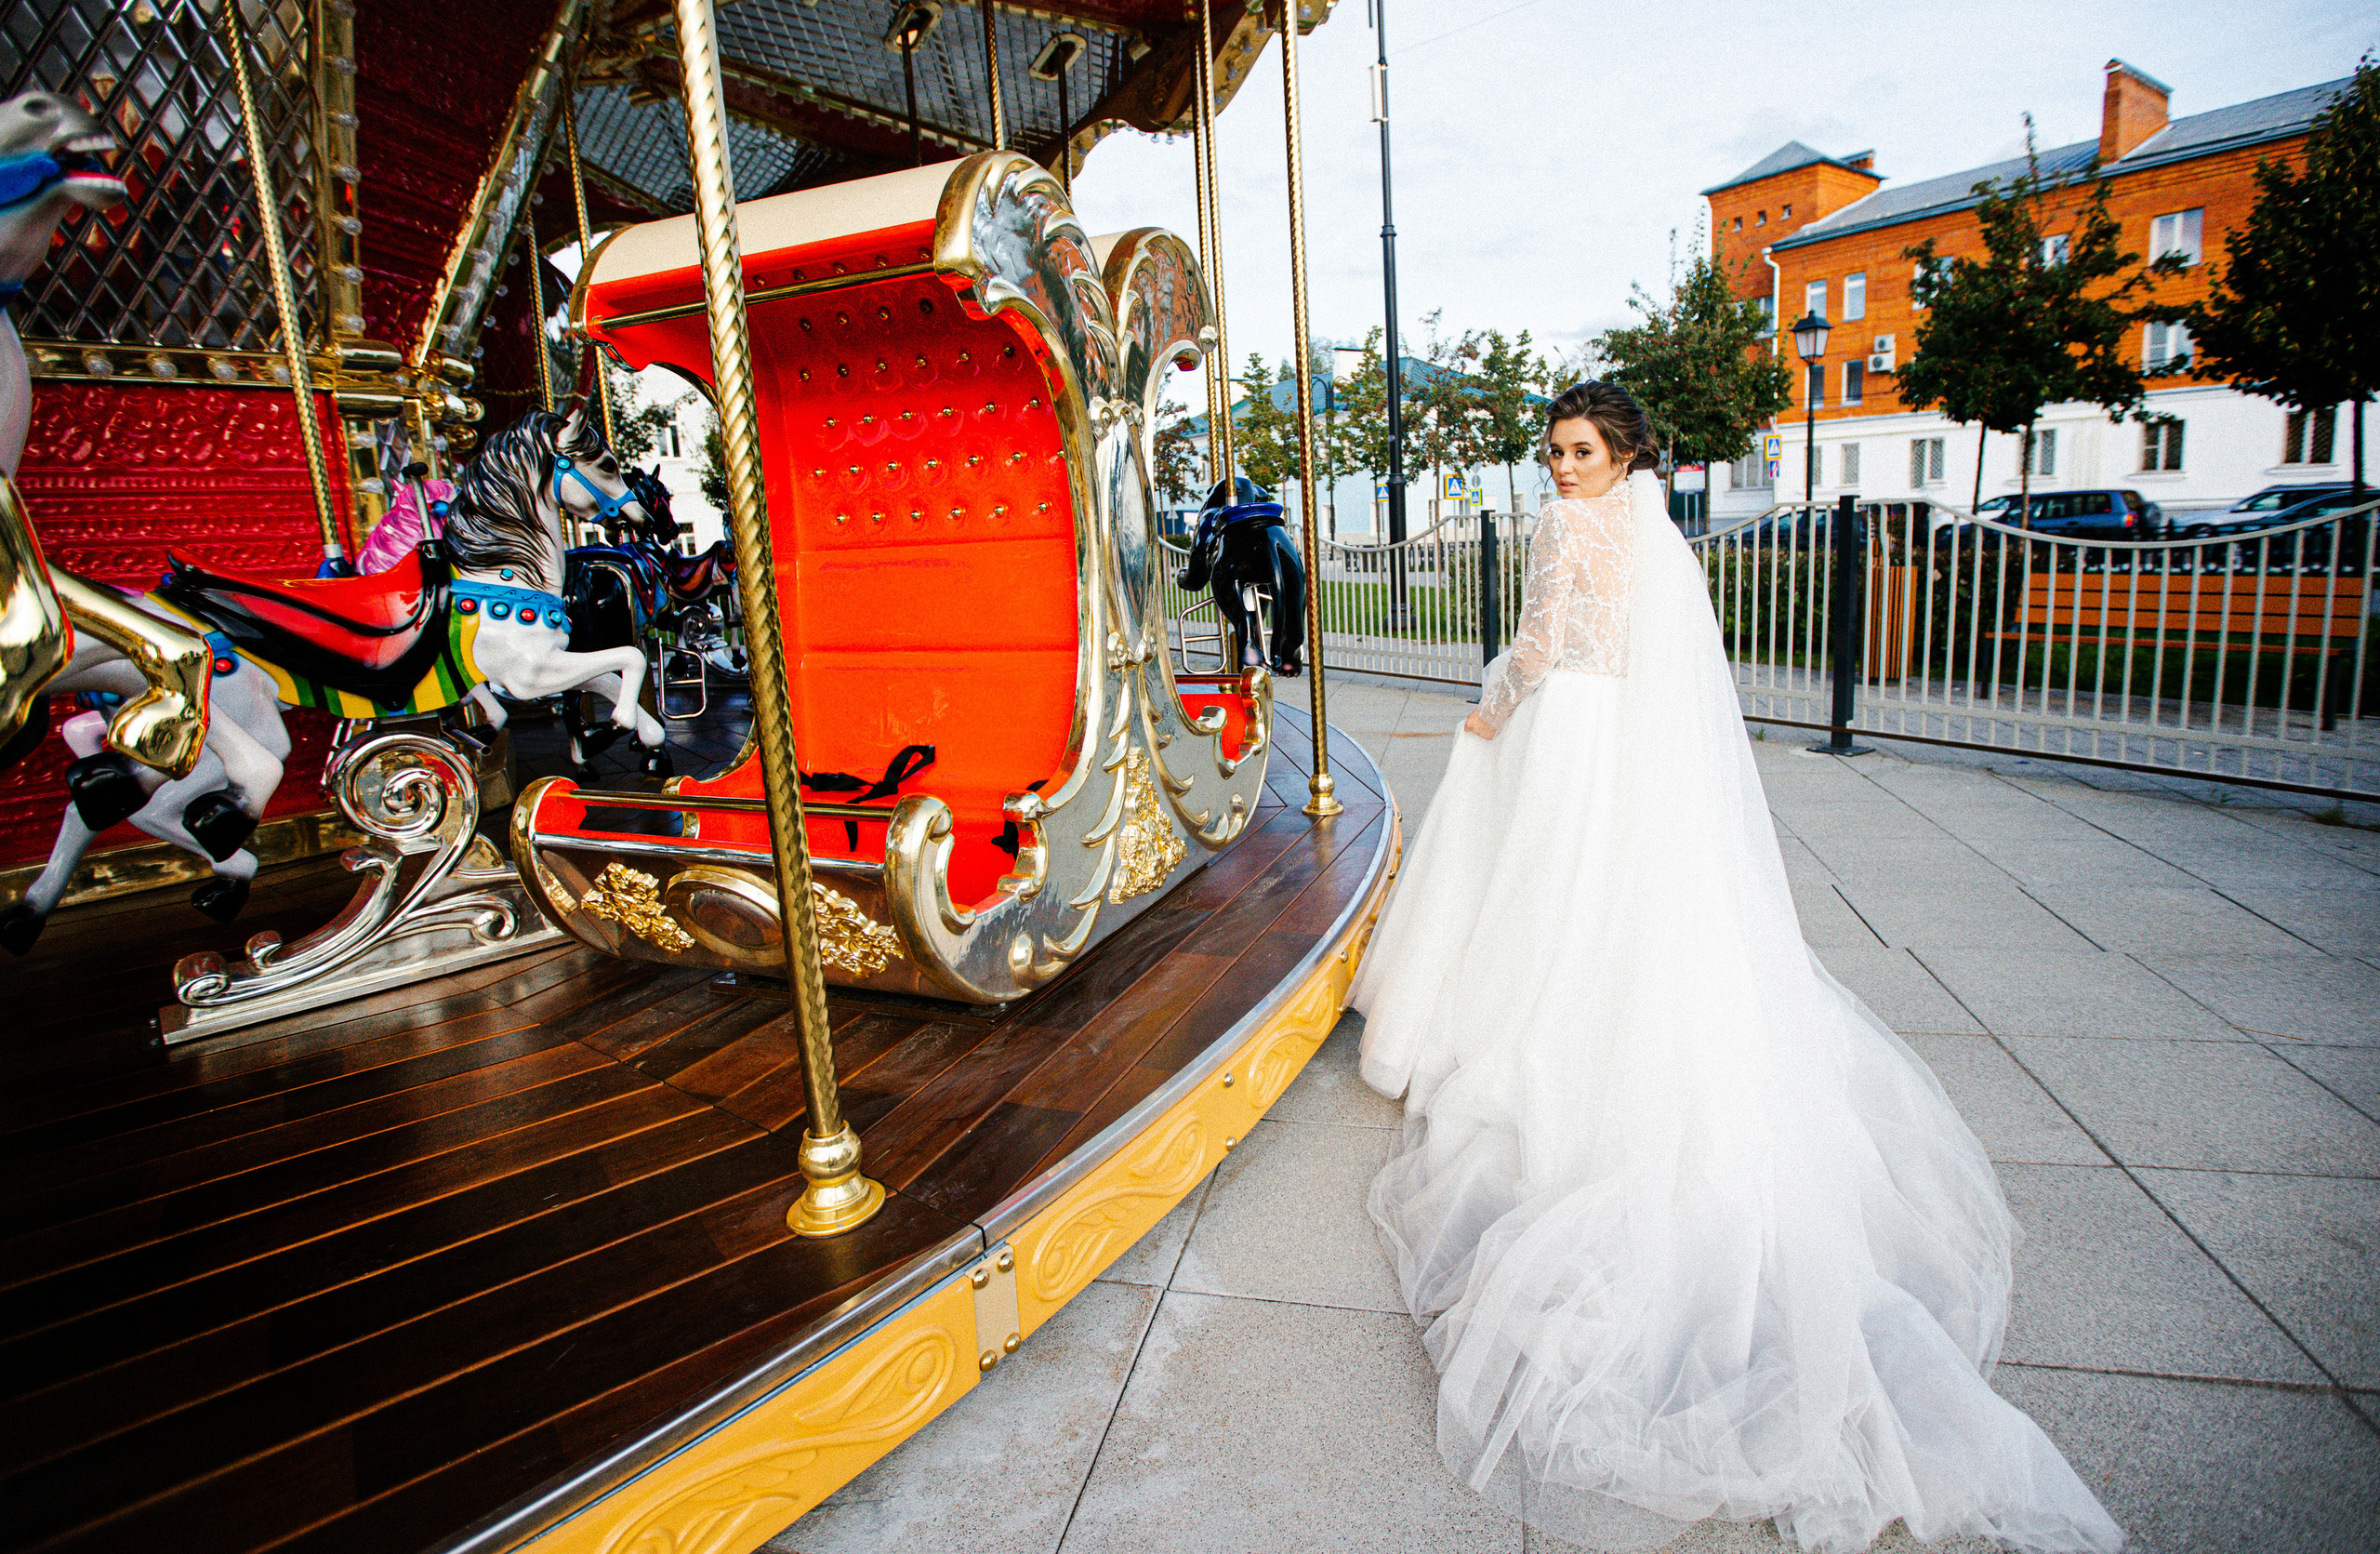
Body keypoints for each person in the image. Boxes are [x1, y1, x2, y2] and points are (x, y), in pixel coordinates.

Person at [1348, 382, 2123, 1553]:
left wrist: (1487, 714)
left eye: (1580, 451)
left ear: (1621, 455)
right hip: (1625, 740)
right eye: (1555, 451)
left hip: (1566, 731)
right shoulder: (1654, 527)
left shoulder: (1567, 525)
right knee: (1600, 898)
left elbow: (1543, 646)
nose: (1562, 467)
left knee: (1541, 886)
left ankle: (1510, 1034)